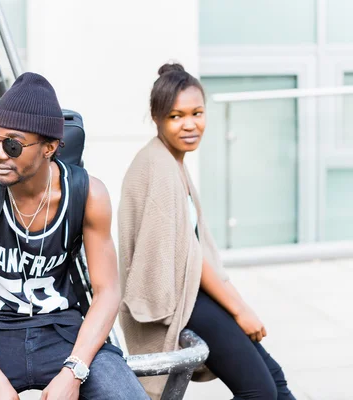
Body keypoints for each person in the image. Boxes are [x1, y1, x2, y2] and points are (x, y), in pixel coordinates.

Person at [0, 72, 148, 400]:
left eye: (13, 144)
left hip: (64, 333)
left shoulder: (88, 194)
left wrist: (74, 370)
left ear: (50, 147)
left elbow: (107, 291)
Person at [118, 63, 296, 400]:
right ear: (157, 118)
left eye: (197, 113)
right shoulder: (158, 167)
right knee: (259, 391)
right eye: (176, 116)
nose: (190, 124)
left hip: (190, 294)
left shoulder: (171, 161)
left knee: (274, 380)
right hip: (178, 301)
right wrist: (240, 310)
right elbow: (187, 256)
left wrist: (237, 304)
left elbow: (192, 249)